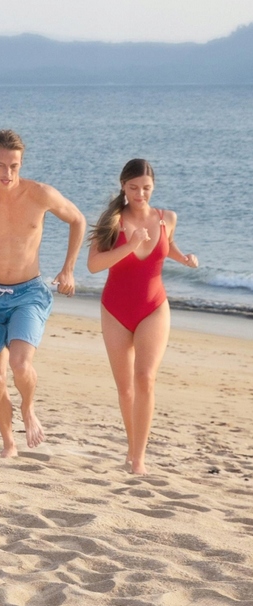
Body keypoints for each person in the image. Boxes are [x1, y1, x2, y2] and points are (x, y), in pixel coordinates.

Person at [0, 130, 86, 457]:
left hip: (29, 293)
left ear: (21, 164)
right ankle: (9, 443)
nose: (7, 173)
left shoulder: (40, 194)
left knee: (21, 365)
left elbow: (78, 220)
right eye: (1, 165)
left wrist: (68, 269)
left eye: (14, 166)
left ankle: (28, 407)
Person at [87, 158, 199, 474]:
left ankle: (138, 459)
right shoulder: (111, 221)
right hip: (115, 310)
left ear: (153, 187)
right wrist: (130, 245)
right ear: (123, 186)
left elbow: (168, 245)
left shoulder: (167, 218)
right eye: (134, 188)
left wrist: (184, 258)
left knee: (145, 378)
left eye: (146, 188)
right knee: (125, 389)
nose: (140, 194)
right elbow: (93, 265)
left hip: (154, 307)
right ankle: (131, 447)